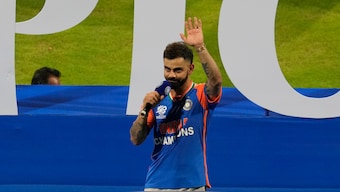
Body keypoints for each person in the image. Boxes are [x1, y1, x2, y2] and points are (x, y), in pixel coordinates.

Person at [129, 17, 223, 191]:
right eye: (167, 69)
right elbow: (136, 139)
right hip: (156, 184)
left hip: (192, 185)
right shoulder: (157, 99)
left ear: (191, 69)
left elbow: (216, 81)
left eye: (178, 70)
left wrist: (200, 48)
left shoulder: (201, 95)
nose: (171, 75)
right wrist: (143, 111)